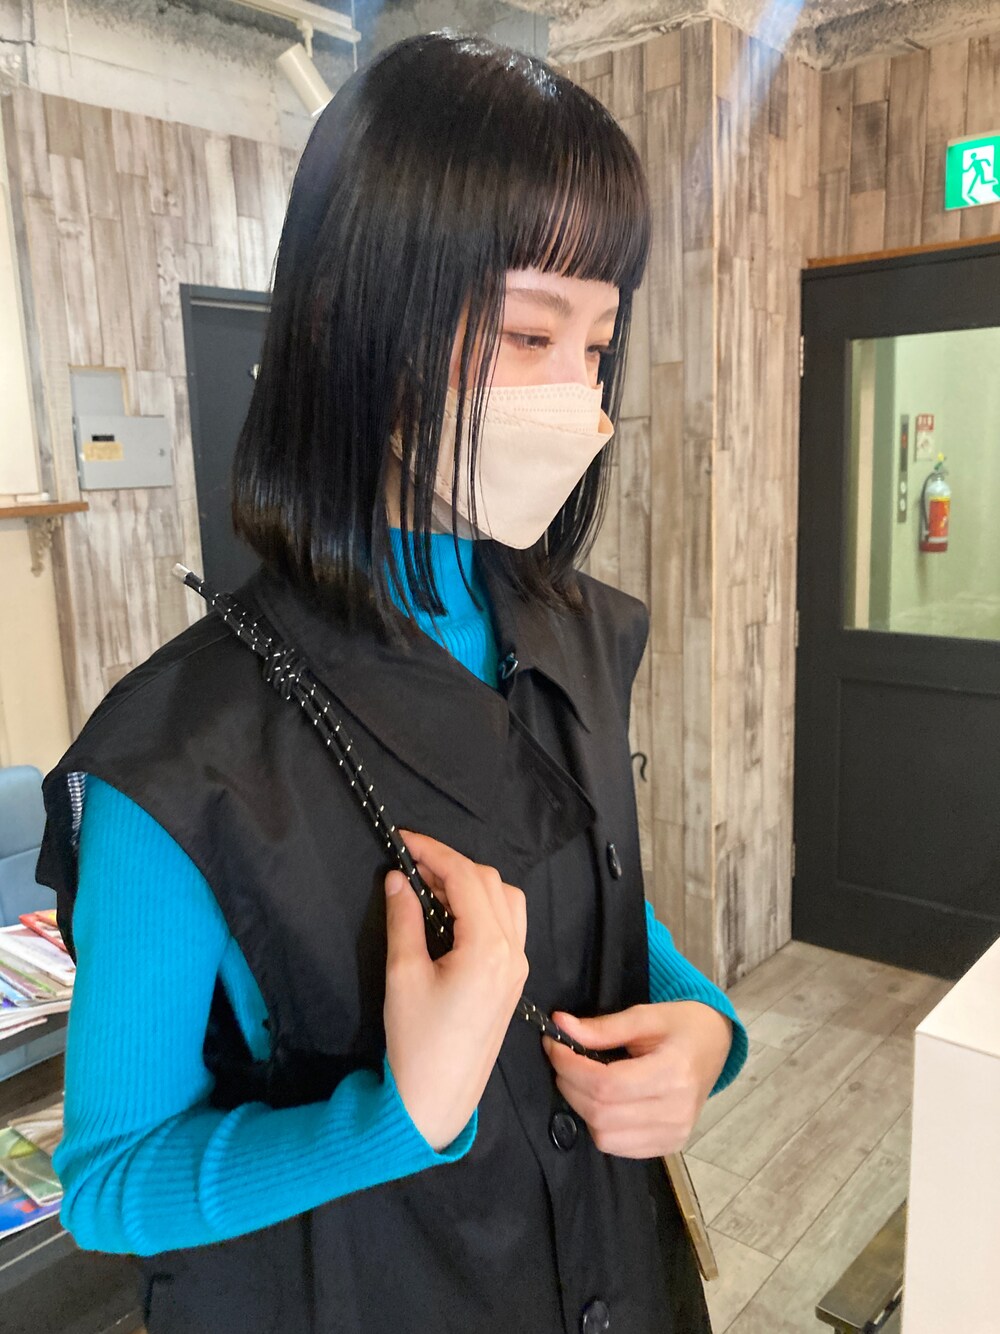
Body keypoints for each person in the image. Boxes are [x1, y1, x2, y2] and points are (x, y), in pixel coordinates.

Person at [37, 31, 748, 1334]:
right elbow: (108, 1182)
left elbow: (582, 892)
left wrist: (702, 1025)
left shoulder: (578, 630)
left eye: (598, 343)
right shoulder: (182, 759)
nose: (579, 396)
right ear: (349, 317)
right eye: (528, 331)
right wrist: (394, 1117)